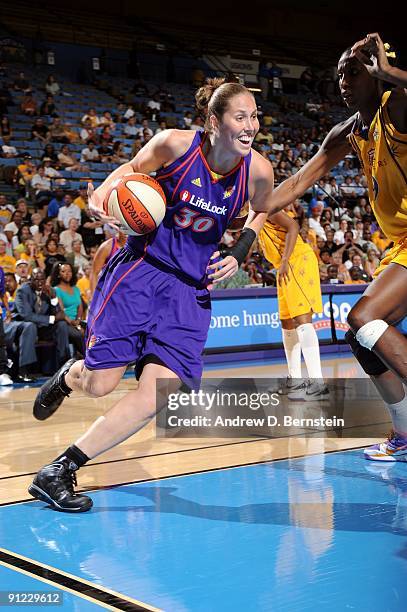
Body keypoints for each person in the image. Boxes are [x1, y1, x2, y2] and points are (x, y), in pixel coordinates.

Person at [28, 78, 274, 512]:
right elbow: (129, 172)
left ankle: (60, 469)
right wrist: (105, 195)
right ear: (213, 121)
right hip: (141, 273)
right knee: (101, 384)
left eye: (254, 116)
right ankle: (72, 374)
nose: (251, 125)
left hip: (190, 291)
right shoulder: (174, 146)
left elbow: (263, 207)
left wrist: (240, 249)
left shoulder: (258, 170)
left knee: (158, 392)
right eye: (241, 116)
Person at [260, 33, 407, 461]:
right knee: (361, 338)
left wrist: (391, 74)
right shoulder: (348, 131)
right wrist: (242, 203)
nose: (343, 79)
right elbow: (297, 183)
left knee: (364, 316)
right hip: (400, 243)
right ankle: (403, 433)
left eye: (354, 71)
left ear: (377, 72)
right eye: (340, 72)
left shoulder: (396, 106)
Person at [258, 209, 327, 399]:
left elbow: (293, 226)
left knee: (302, 320)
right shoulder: (250, 213)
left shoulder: (266, 204)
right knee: (287, 322)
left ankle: (318, 381)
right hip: (282, 265)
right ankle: (295, 380)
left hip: (295, 259)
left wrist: (286, 259)